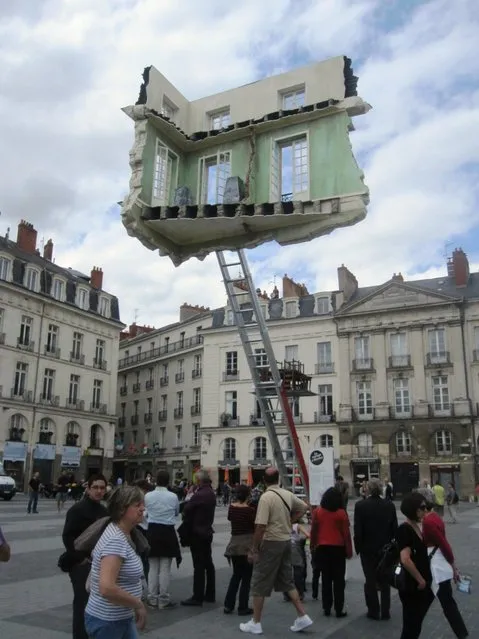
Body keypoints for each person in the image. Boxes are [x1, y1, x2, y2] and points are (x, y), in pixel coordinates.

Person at [240, 467, 312, 635]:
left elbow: (261, 526)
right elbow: (304, 507)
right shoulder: (286, 493)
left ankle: (256, 622)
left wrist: (254, 548)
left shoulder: (266, 497)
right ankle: (302, 616)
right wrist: (290, 520)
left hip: (271, 541)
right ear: (278, 479)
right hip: (286, 541)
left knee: (259, 581)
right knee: (287, 580)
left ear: (264, 481)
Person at [85, 486, 147, 638]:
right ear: (121, 509)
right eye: (137, 505)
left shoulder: (124, 533)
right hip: (108, 620)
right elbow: (106, 588)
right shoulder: (115, 540)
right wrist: (138, 604)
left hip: (120, 617)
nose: (142, 509)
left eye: (142, 504)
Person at [61, 474, 108, 639]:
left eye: (102, 488)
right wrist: (79, 559)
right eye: (95, 487)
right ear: (88, 489)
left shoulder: (104, 511)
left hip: (98, 563)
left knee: (95, 603)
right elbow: (67, 536)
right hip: (80, 564)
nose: (99, 491)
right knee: (82, 602)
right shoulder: (77, 510)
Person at [422, 501, 468, 638]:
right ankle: (461, 632)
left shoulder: (428, 521)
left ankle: (461, 633)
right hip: (438, 563)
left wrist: (452, 565)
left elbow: (442, 542)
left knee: (446, 602)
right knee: (445, 602)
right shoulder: (435, 517)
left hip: (437, 566)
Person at [354, 479, 398, 621]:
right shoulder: (389, 505)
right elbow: (394, 528)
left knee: (370, 580)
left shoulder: (360, 506)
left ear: (368, 489)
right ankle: (385, 611)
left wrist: (358, 548)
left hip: (367, 549)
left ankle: (373, 610)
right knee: (385, 580)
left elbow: (358, 530)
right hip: (385, 549)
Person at [396, 492, 434, 639]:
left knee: (415, 624)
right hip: (412, 586)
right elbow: (405, 559)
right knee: (411, 626)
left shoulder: (417, 527)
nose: (426, 510)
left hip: (421, 586)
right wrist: (421, 580)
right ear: (414, 510)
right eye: (422, 507)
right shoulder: (405, 530)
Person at [310, 487, 352, 619]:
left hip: (322, 548)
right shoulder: (341, 513)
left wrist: (312, 545)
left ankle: (326, 607)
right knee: (339, 581)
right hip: (338, 549)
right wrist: (349, 551)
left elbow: (314, 531)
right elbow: (346, 534)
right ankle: (339, 609)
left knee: (326, 579)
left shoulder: (318, 512)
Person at [144, 470, 181, 610]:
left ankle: (152, 598)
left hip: (152, 530)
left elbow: (145, 512)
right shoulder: (173, 496)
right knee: (165, 568)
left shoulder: (148, 495)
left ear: (155, 480)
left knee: (153, 567)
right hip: (167, 531)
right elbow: (177, 512)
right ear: (168, 480)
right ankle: (163, 599)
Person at [181, 470, 216, 607]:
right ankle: (210, 593)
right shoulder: (211, 493)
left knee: (199, 565)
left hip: (197, 533)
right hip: (207, 532)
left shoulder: (199, 494)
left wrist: (190, 494)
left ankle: (198, 596)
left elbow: (186, 510)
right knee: (208, 563)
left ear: (199, 481)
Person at [224, 484, 256, 615]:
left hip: (234, 544)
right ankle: (243, 607)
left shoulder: (231, 508)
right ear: (248, 495)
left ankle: (228, 605)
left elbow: (230, 519)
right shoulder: (250, 510)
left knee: (236, 575)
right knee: (247, 578)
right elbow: (254, 526)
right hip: (247, 545)